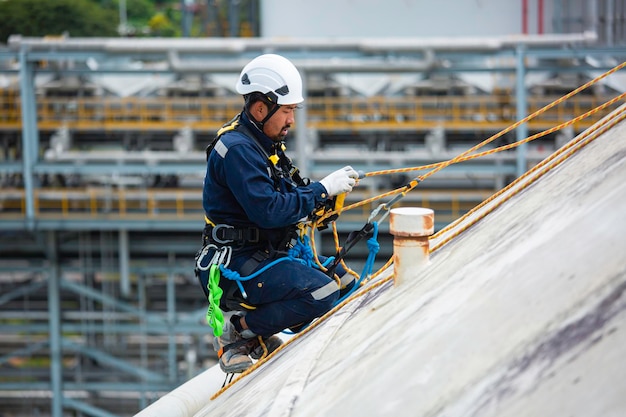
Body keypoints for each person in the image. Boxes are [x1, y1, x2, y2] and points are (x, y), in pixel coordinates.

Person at [197, 53, 359, 374]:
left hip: (262, 255)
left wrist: (318, 201)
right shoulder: (238, 150)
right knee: (323, 291)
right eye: (286, 111)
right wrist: (321, 190)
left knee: (342, 281)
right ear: (261, 108)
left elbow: (285, 193)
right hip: (237, 263)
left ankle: (260, 328)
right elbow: (270, 211)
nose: (291, 121)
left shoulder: (263, 143)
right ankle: (241, 330)